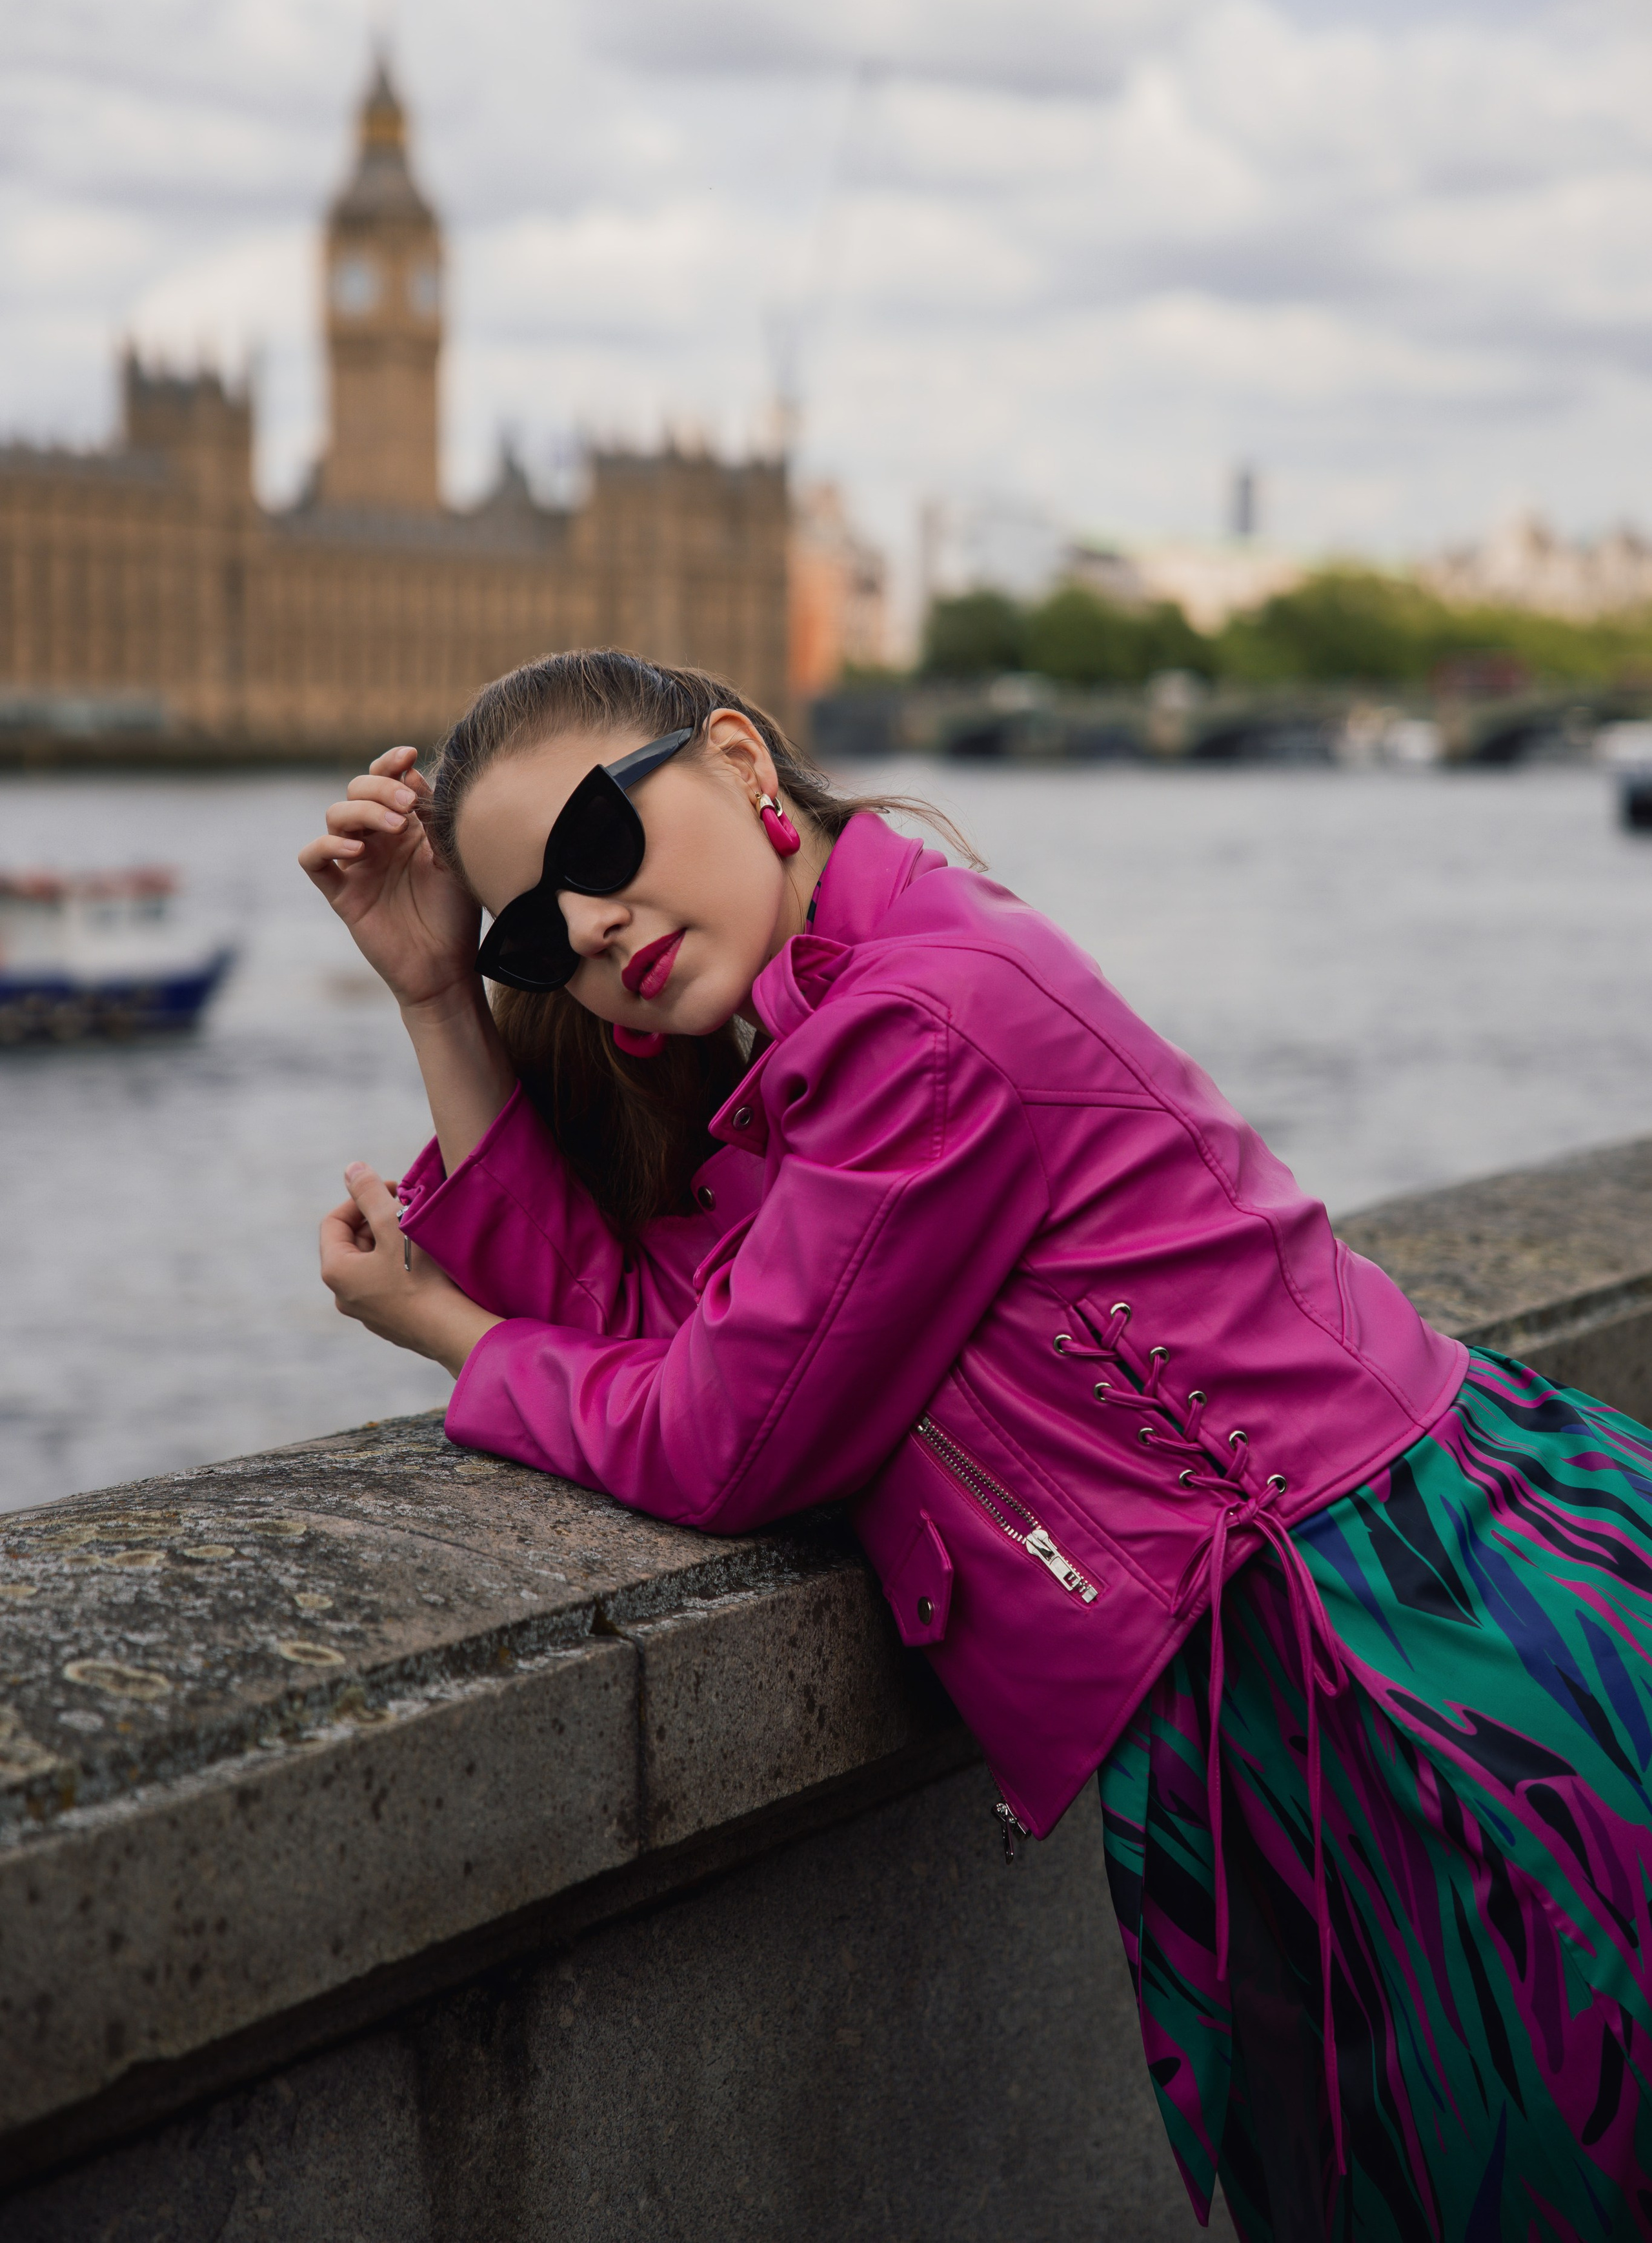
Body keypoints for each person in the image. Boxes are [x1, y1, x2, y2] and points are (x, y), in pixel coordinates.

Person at [301, 647, 1652, 2242]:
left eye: (599, 845)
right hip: (1319, 1643)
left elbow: (722, 1435)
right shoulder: (840, 1012)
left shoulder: (914, 1027)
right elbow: (652, 1330)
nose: (588, 927)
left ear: (738, 761)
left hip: (1378, 1665)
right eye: (535, 928)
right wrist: (439, 993)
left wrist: (448, 1334)